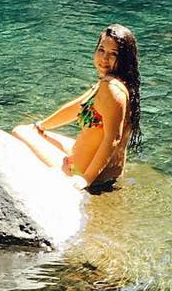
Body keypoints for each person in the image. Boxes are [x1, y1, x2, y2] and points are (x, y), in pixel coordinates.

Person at [11, 24, 142, 190]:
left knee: (20, 131)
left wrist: (85, 179)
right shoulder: (117, 82)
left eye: (113, 54)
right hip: (103, 170)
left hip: (79, 171)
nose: (104, 58)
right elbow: (78, 107)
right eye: (101, 50)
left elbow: (113, 139)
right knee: (38, 133)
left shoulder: (112, 89)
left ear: (124, 59)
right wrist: (41, 126)